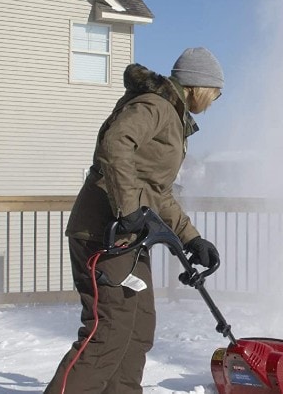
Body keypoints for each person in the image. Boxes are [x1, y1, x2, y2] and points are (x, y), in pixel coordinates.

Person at [44, 47, 224, 394]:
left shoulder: (172, 115)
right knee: (107, 331)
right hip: (104, 234)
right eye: (216, 93)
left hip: (130, 238)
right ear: (197, 85)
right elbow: (114, 145)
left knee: (139, 329)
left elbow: (158, 191)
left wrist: (192, 239)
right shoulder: (155, 106)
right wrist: (128, 210)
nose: (215, 101)